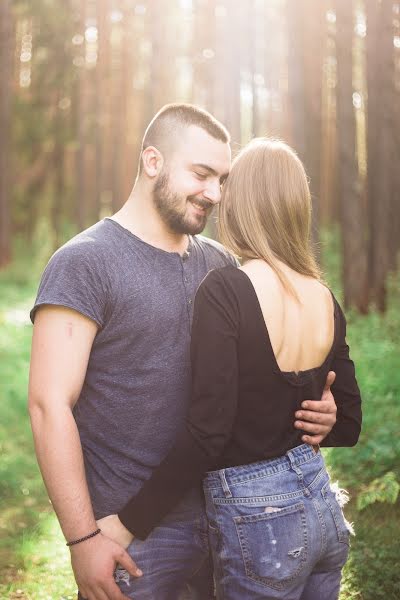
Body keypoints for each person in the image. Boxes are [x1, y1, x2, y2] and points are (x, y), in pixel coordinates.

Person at [28, 106, 338, 600]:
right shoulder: (84, 263)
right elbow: (49, 407)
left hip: (234, 520)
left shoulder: (221, 264)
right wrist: (83, 538)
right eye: (201, 174)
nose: (214, 194)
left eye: (222, 179)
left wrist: (323, 412)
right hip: (132, 537)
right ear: (153, 161)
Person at [105, 138, 362, 599]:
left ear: (243, 203)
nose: (218, 197)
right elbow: (350, 423)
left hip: (262, 521)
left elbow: (209, 431)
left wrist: (129, 521)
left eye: (228, 187)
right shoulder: (324, 297)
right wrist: (330, 419)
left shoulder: (226, 289)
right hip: (323, 507)